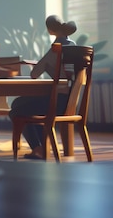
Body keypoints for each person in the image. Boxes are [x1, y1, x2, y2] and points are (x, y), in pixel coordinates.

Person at [8, 15, 77, 159]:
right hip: (71, 100)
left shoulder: (56, 49)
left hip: (58, 102)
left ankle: (39, 148)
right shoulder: (75, 47)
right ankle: (42, 147)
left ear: (50, 30)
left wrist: (42, 63)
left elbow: (34, 74)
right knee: (19, 103)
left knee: (16, 111)